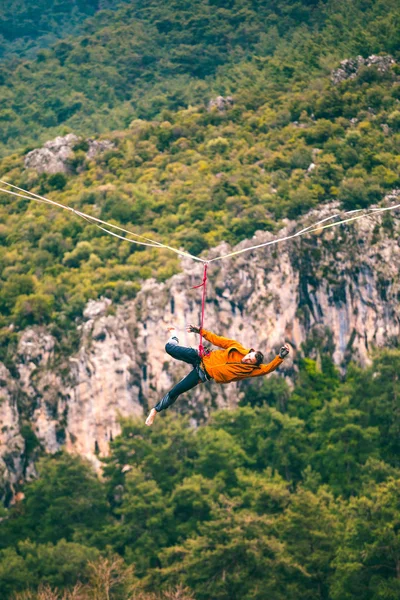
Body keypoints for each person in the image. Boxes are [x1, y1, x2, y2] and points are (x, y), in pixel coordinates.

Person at [145, 325, 290, 426]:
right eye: (248, 356)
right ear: (250, 351)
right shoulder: (237, 347)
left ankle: (155, 410)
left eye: (249, 361)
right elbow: (218, 339)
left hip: (202, 374)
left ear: (252, 364)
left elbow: (267, 369)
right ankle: (174, 335)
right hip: (202, 357)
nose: (246, 359)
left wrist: (280, 357)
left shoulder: (250, 370)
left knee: (176, 391)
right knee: (169, 348)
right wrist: (200, 331)